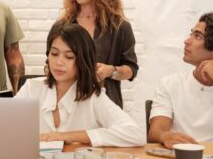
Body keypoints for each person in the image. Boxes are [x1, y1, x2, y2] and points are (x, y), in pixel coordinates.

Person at [15, 24, 144, 147]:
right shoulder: (31, 88)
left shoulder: (93, 97)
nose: (59, 62)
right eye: (54, 54)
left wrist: (68, 136)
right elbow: (5, 126)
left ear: (83, 60)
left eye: (69, 56)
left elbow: (135, 134)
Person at [53, 0, 138, 109]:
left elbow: (131, 70)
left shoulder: (120, 27)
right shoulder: (61, 27)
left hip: (106, 106)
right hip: (68, 106)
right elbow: (48, 66)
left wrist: (111, 71)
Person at [148, 12, 213, 148]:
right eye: (191, 34)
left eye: (197, 36)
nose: (187, 41)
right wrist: (164, 136)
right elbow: (155, 132)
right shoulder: (170, 84)